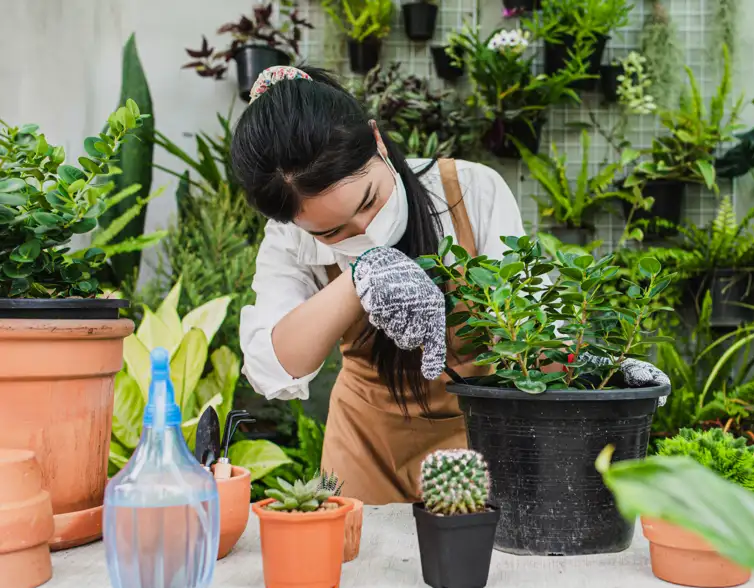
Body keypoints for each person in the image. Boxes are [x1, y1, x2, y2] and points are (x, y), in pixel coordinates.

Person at [232, 65, 668, 505]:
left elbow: (529, 329)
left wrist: (598, 370)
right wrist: (360, 277)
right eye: (332, 233)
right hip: (362, 447)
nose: (366, 229)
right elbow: (273, 367)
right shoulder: (291, 240)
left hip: (478, 444)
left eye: (369, 201)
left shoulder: (468, 191)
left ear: (378, 142)